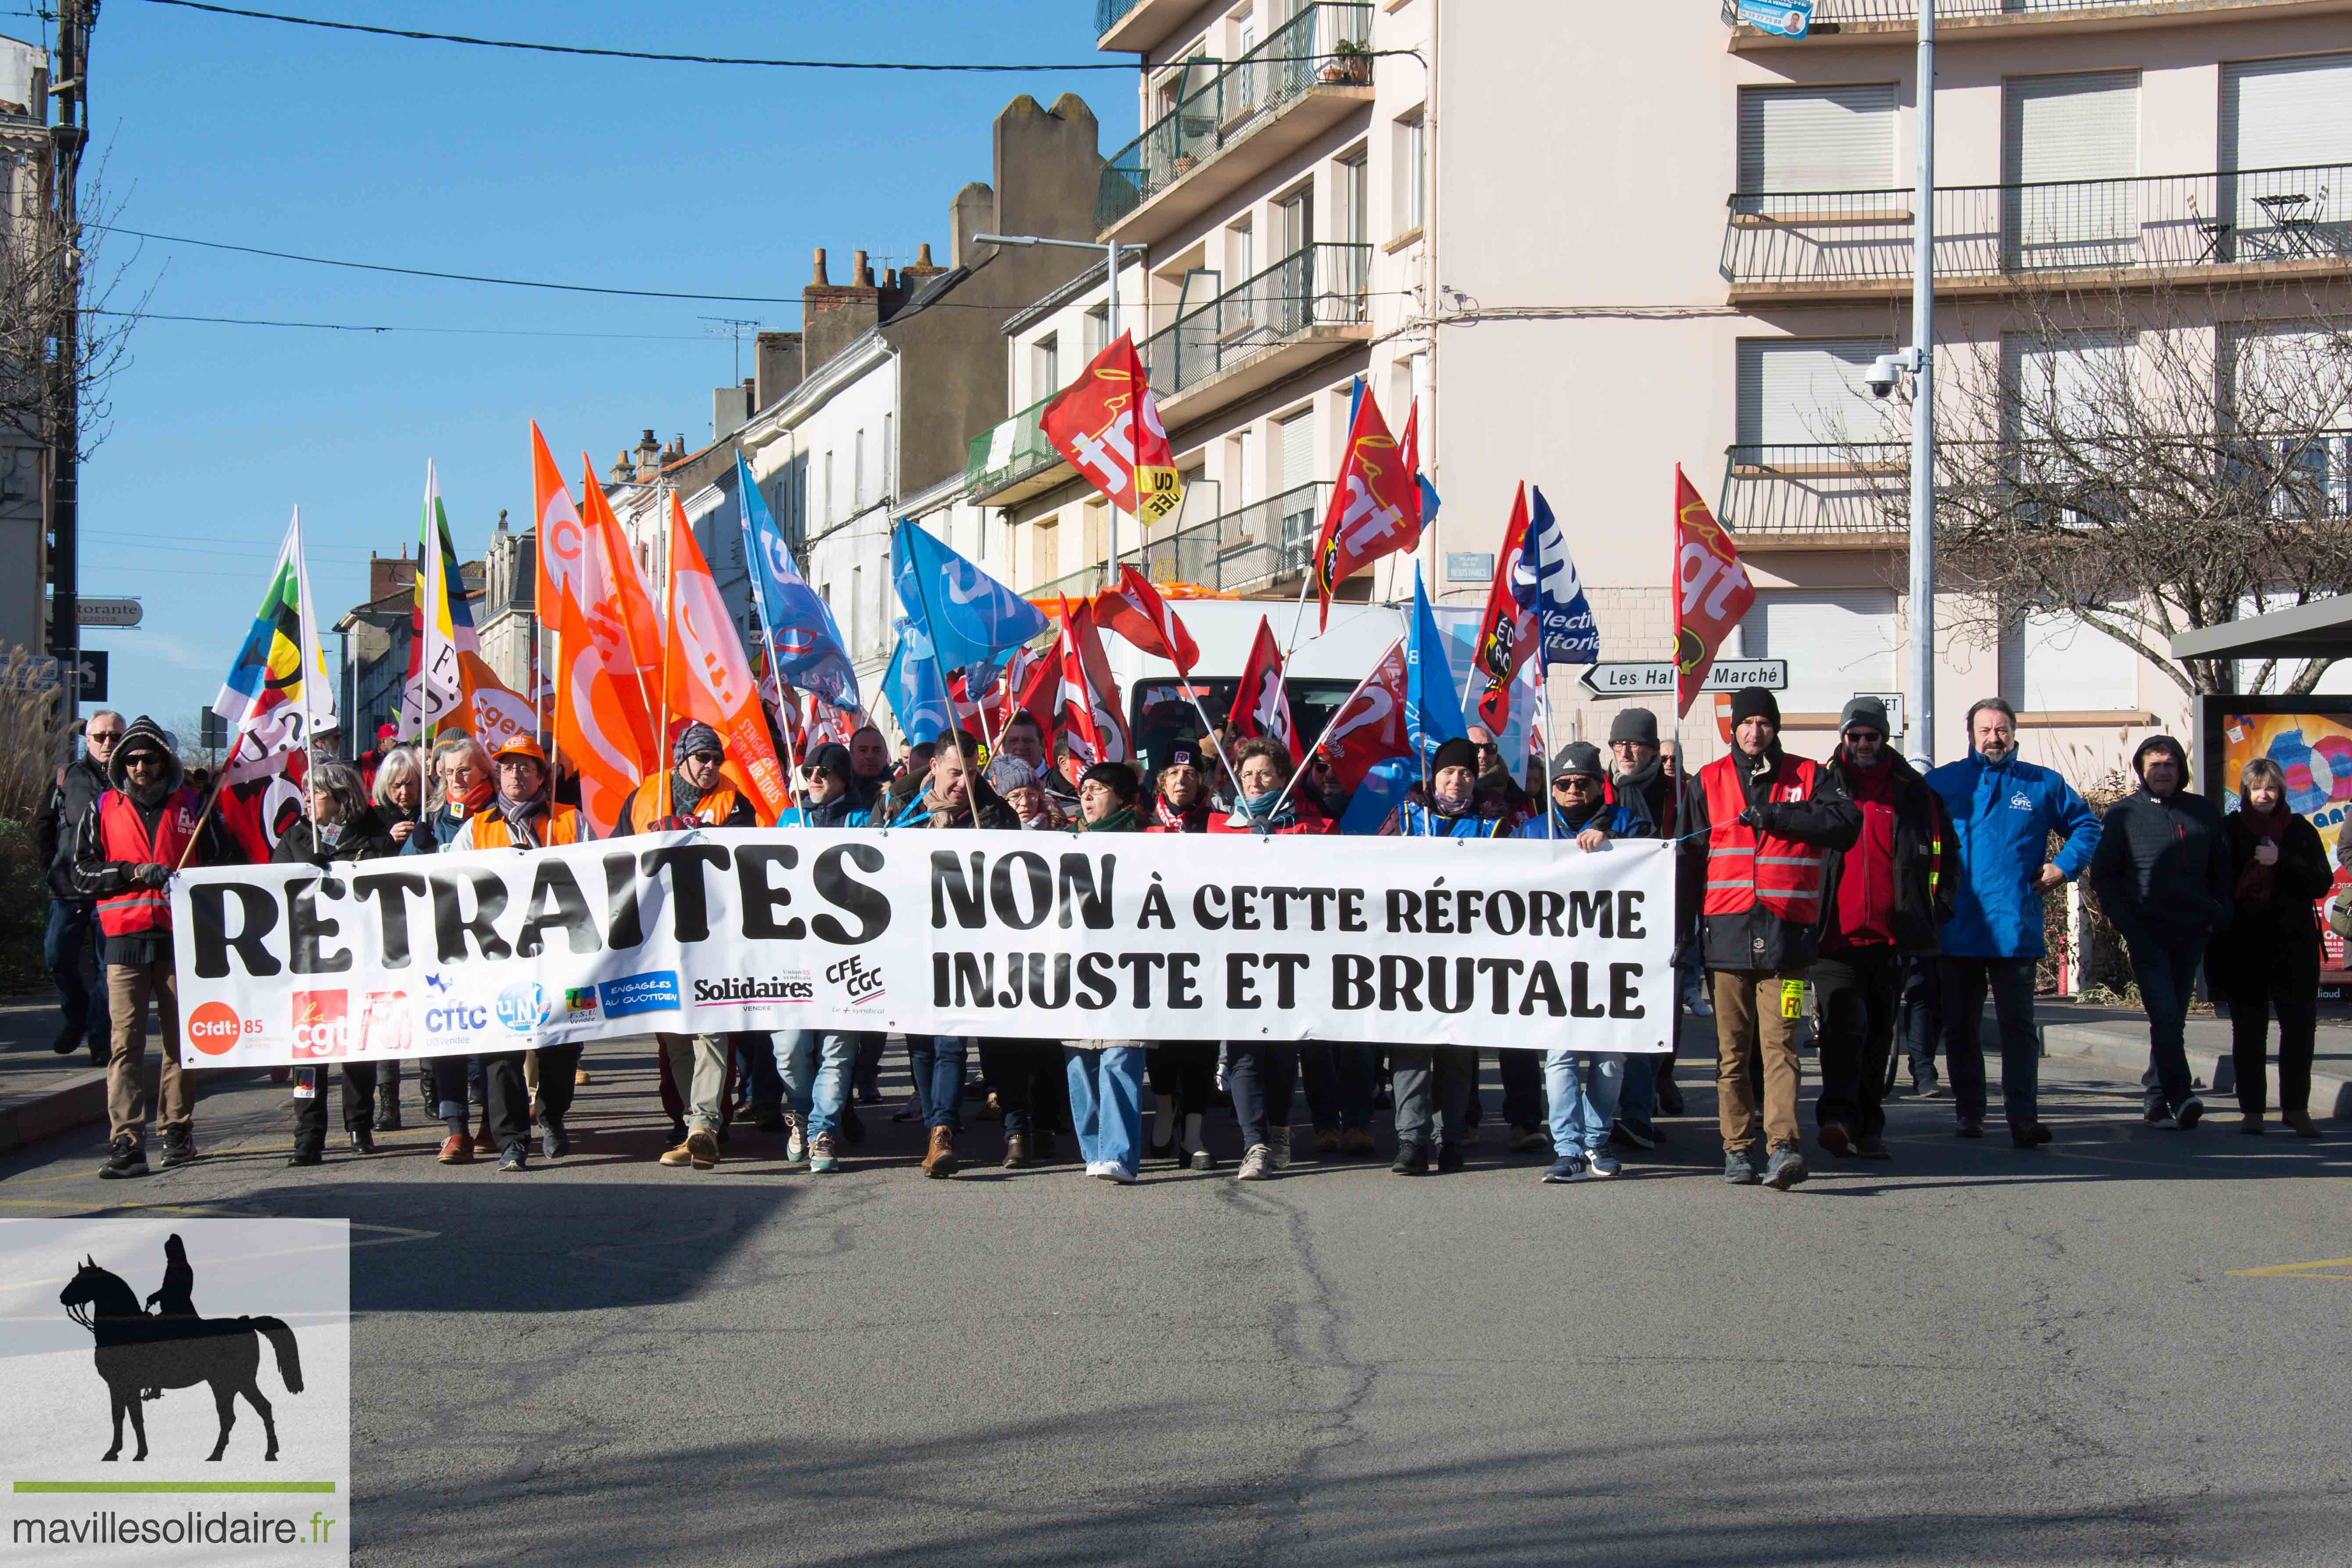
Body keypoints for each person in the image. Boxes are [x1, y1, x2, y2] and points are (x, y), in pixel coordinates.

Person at [1679, 690, 1860, 1190]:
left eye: (1763, 722)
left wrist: (1779, 816)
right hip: (1726, 944)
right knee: (1732, 1053)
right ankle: (1737, 1149)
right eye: (1746, 722)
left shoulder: (1809, 776)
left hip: (1788, 946)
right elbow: (1688, 863)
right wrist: (1681, 938)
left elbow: (1847, 824)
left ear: (1775, 727)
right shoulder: (1708, 781)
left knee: (1782, 1046)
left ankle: (1783, 1147)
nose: (1754, 731)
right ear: (1733, 729)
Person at [1925, 698, 2099, 1143]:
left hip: (2014, 929)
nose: (1993, 737)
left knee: (2018, 1030)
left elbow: (2087, 826)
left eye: (2001, 729)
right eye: (1985, 730)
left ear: (2014, 732)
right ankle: (1970, 1112)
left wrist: (2063, 866)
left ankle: (2023, 1116)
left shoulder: (2042, 784)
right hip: (1957, 927)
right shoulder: (1942, 783)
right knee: (1961, 1028)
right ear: (1971, 734)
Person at [70, 716, 230, 1180]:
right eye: (134, 759)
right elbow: (80, 873)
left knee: (183, 1042)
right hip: (123, 940)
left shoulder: (193, 805)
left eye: (150, 758)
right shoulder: (103, 808)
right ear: (123, 763)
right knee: (126, 1045)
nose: (141, 766)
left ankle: (177, 1131)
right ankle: (127, 1141)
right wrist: (130, 872)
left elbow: (221, 861)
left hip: (180, 938)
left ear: (165, 762)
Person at [1810, 698, 1954, 1160]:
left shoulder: (1914, 793)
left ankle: (1869, 1126)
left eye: (1871, 736)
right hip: (1833, 937)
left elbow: (1945, 857)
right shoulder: (1822, 785)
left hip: (1892, 938)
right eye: (1854, 737)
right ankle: (1836, 1119)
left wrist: (1936, 913)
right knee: (1840, 1033)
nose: (1863, 745)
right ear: (1843, 739)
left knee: (1876, 1039)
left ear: (1885, 738)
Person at [613, 723, 757, 1170]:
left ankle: (704, 1127)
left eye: (717, 759)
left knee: (712, 1030)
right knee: (676, 1035)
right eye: (703, 759)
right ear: (681, 760)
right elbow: (615, 858)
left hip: (714, 935)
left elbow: (745, 861)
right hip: (659, 936)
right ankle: (696, 1120)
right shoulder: (642, 798)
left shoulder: (737, 802)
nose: (712, 767)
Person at [1378, 736, 1525, 1174]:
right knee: (1409, 1051)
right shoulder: (1407, 817)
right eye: (1448, 773)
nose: (1457, 780)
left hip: (1470, 955)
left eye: (1465, 773)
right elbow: (1371, 866)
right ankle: (1411, 1140)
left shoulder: (1497, 823)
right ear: (1434, 776)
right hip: (1411, 954)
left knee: (1458, 1053)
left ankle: (1451, 1138)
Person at [451, 734, 587, 1171]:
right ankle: (511, 1139)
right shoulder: (474, 829)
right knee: (501, 1050)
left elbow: (597, 875)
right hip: (499, 959)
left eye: (526, 766)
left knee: (563, 1046)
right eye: (508, 766)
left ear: (542, 776)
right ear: (497, 774)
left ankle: (552, 1116)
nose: (516, 773)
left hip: (560, 955)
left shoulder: (571, 821)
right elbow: (447, 884)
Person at [1519, 741, 1653, 1181]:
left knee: (1611, 1058)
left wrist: (1614, 841)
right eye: (1563, 783)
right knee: (1560, 1056)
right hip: (1555, 961)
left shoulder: (1628, 822)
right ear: (1552, 789)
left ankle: (1598, 1140)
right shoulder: (1535, 831)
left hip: (1613, 960)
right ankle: (1569, 1148)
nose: (1573, 789)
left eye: (1583, 782)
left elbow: (1653, 863)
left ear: (1600, 785)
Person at [890, 731, 1019, 1177]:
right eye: (954, 772)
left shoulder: (994, 815)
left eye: (971, 772)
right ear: (934, 769)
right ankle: (934, 1127)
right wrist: (925, 834)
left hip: (967, 943)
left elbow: (1009, 876)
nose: (963, 781)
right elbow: (874, 854)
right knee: (921, 1045)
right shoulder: (898, 806)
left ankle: (943, 1129)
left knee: (950, 1040)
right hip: (910, 941)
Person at [2088, 735, 2231, 1132]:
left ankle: (2154, 1099)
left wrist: (2216, 913)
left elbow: (2223, 868)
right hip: (2146, 931)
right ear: (2142, 771)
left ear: (2180, 769)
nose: (2162, 772)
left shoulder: (2201, 812)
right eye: (2154, 766)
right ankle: (2180, 1094)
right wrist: (2125, 920)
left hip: (2191, 930)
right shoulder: (2122, 815)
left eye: (2169, 764)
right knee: (2164, 1012)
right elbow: (2104, 876)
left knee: (2172, 1019)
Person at [1212, 738, 1333, 1179]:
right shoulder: (1219, 828)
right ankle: (1255, 1144)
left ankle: (1279, 1127)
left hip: (1293, 959)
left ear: (1283, 778)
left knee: (1282, 1055)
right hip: (1237, 957)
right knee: (1244, 1051)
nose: (1255, 781)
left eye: (1264, 774)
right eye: (1247, 774)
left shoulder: (1313, 829)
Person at [272, 762, 401, 1165]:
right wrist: (300, 870)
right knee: (309, 1055)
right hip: (307, 965)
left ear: (342, 798)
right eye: (307, 793)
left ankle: (359, 1126)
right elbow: (273, 890)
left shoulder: (375, 839)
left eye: (317, 794)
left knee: (357, 1047)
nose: (307, 801)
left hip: (359, 960)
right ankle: (308, 1136)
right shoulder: (294, 838)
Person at [772, 742, 879, 1174]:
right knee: (789, 1048)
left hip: (846, 954)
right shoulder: (788, 820)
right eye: (809, 771)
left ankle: (822, 1127)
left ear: (843, 778)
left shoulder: (862, 819)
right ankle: (799, 1111)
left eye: (825, 772)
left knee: (838, 1050)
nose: (814, 778)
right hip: (791, 955)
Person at [2208, 758, 2327, 1138]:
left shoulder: (2300, 831)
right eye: (2257, 787)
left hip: (2294, 944)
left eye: (2271, 788)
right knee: (2248, 1030)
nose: (2264, 794)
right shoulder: (2229, 830)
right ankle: (2253, 1111)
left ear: (2281, 791)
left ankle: (2295, 1108)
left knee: (2298, 1029)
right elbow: (2213, 881)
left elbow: (2321, 882)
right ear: (2245, 791)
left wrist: (2283, 862)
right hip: (2244, 944)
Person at [1606, 706, 1693, 1118]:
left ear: (1651, 750)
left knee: (1664, 1002)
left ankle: (1661, 1075)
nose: (1626, 751)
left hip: (1664, 911)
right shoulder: (1598, 786)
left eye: (1636, 745)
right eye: (1619, 744)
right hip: (1608, 917)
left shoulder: (1675, 792)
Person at [1065, 762, 1150, 1183]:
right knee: (1080, 1065)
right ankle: (1093, 1151)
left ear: (1122, 798)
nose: (1087, 796)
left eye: (1098, 789)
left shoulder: (1150, 843)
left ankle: (1119, 1155)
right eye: (1084, 789)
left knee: (1119, 1058)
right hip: (1075, 971)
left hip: (1129, 970)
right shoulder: (1064, 843)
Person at [1144, 750, 1217, 1165]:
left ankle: (1193, 1130)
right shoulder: (1142, 826)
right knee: (1162, 1035)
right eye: (1173, 772)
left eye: (1190, 773)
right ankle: (1164, 1108)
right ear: (1161, 781)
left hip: (1206, 946)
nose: (1182, 780)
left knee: (1202, 1038)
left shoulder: (1218, 826)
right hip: (1156, 947)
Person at [39, 710, 123, 1065]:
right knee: (57, 958)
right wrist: (51, 870)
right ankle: (77, 1017)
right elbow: (44, 827)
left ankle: (99, 1039)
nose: (107, 743)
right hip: (68, 890)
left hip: (112, 891)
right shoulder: (66, 777)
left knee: (109, 970)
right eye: (100, 736)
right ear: (86, 740)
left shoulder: (132, 776)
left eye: (115, 737)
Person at [988, 755, 1066, 831]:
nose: (1025, 803)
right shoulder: (991, 834)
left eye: (1031, 795)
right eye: (1015, 796)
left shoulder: (1062, 828)